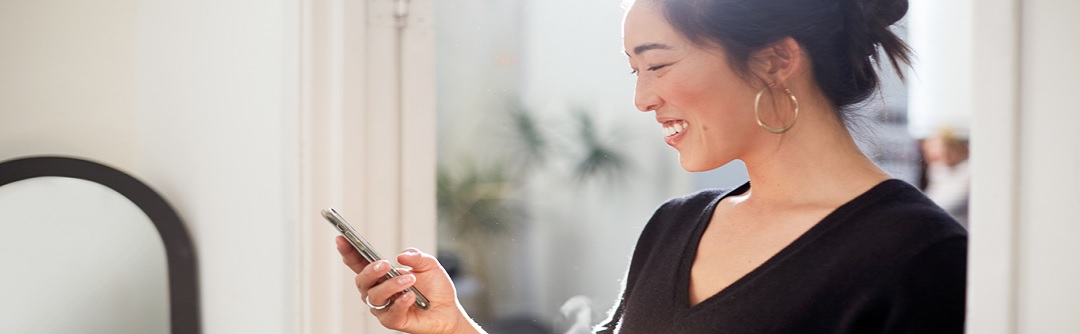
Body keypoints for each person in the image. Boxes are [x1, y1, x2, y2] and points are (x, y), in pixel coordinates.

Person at [335, 0, 968, 332]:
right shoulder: (677, 227)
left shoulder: (920, 257)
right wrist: (453, 328)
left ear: (777, 59)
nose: (642, 99)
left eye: (658, 64)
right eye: (634, 71)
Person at [921, 127, 971, 228]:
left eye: (944, 147)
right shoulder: (937, 170)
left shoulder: (970, 171)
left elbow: (951, 204)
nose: (936, 152)